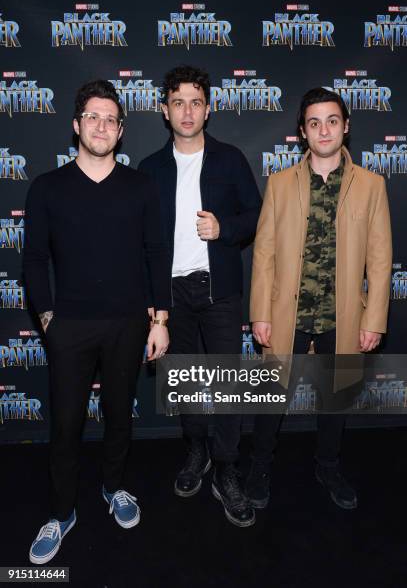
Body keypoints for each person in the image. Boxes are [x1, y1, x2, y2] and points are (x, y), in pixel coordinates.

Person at [24, 79, 170, 564]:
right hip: (69, 328)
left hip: (129, 325)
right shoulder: (47, 187)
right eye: (92, 116)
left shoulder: (142, 188)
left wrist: (159, 319)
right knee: (65, 425)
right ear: (76, 125)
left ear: (121, 130)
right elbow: (33, 260)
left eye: (110, 118)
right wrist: (49, 321)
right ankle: (62, 513)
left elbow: (155, 254)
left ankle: (114, 488)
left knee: (117, 418)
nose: (101, 125)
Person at [248, 87, 392, 511]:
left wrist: (374, 320)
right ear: (302, 132)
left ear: (346, 127)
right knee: (270, 401)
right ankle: (258, 466)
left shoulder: (371, 185)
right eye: (314, 122)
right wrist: (260, 313)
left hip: (343, 316)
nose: (324, 129)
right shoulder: (279, 183)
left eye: (332, 120)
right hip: (285, 314)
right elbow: (264, 254)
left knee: (336, 399)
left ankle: (328, 466)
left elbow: (381, 260)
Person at [138, 65, 262, 527]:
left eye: (195, 101)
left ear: (208, 109)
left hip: (221, 291)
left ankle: (227, 468)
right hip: (171, 294)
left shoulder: (230, 159)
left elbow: (256, 214)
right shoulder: (149, 169)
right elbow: (142, 241)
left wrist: (224, 228)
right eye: (177, 102)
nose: (186, 111)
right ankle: (196, 451)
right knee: (187, 382)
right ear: (163, 110)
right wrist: (152, 302)